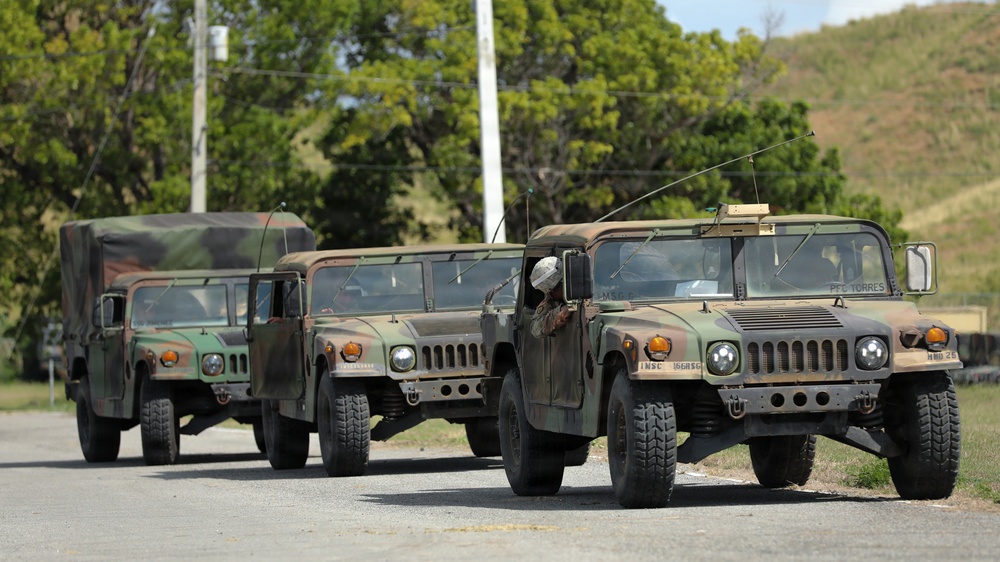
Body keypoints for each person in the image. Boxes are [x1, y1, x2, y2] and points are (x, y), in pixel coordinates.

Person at [529, 256, 571, 338]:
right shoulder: (551, 298)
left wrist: (571, 307)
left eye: (553, 290)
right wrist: (556, 315)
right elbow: (535, 328)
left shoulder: (590, 290)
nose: (549, 294)